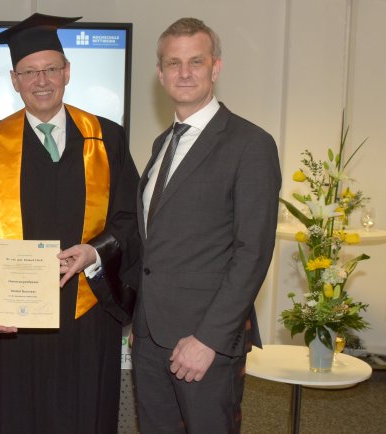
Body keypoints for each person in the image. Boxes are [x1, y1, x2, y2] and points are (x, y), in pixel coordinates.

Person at [0, 13, 141, 434]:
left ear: (67, 72)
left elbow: (131, 217)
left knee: (86, 416)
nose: (42, 80)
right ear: (14, 79)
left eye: (51, 69)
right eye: (29, 72)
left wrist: (97, 251)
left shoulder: (106, 138)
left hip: (88, 312)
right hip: (15, 320)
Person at [131, 17, 281, 433]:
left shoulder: (250, 145)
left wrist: (209, 339)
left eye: (195, 61)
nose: (184, 72)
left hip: (203, 344)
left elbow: (252, 252)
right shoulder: (163, 144)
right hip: (149, 339)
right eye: (173, 63)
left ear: (215, 67)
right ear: (160, 74)